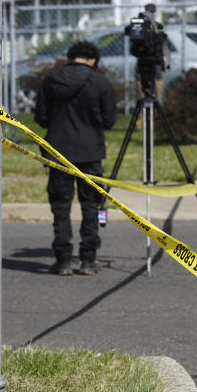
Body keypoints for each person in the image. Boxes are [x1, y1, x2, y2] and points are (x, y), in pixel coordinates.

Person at [35, 41, 117, 276]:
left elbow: (41, 117)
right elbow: (110, 120)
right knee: (90, 204)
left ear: (71, 57)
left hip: (58, 151)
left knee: (61, 206)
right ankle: (88, 260)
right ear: (93, 60)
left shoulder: (51, 80)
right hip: (90, 152)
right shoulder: (99, 82)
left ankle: (63, 260)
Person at [127, 3, 170, 103]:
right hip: (143, 58)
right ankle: (143, 108)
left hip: (154, 58)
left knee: (157, 76)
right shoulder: (140, 25)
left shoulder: (157, 26)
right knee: (140, 77)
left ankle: (157, 103)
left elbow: (162, 36)